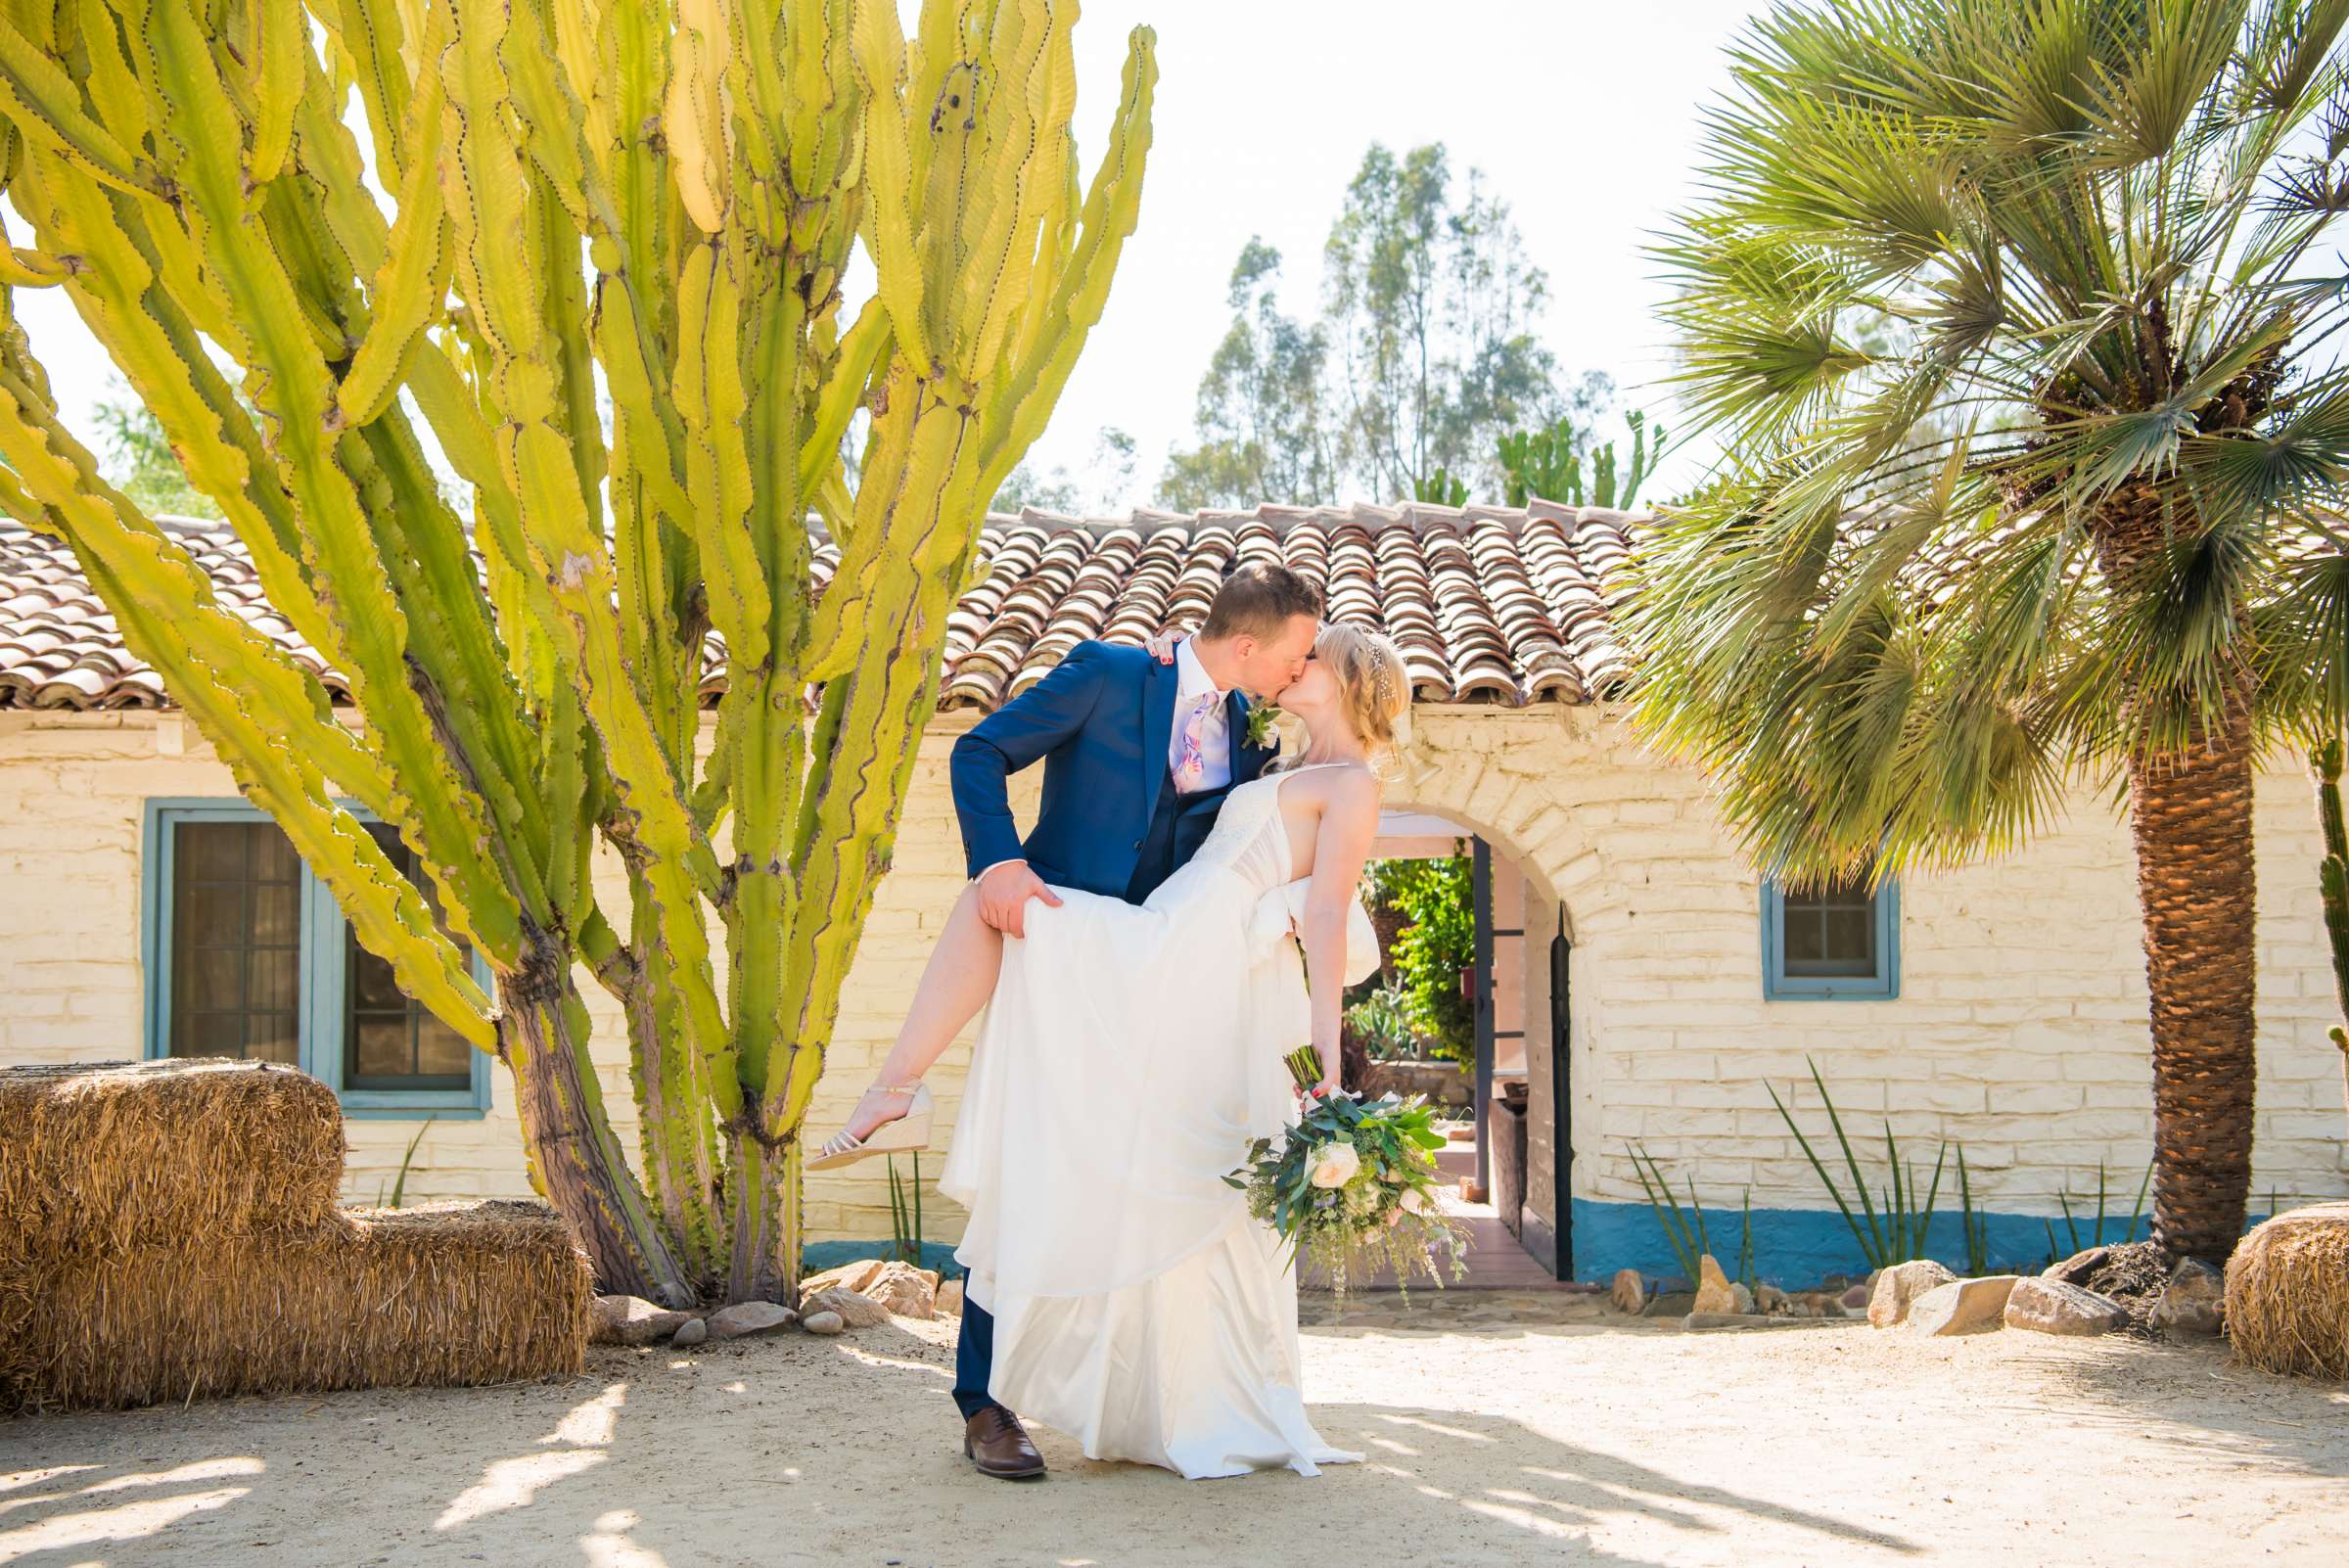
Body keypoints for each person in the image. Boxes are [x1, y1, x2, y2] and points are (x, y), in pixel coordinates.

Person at [812, 570, 1408, 1481]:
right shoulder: (1109, 674)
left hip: (1173, 976)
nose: (1298, 668)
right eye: (1297, 649)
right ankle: (987, 1404)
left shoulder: (1266, 748)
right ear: (1251, 646)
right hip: (1105, 961)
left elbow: (1319, 902)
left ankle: (901, 1088)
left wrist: (1314, 1038)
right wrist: (1000, 859)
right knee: (1034, 1156)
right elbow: (977, 754)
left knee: (1152, 1182)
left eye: (1312, 660)